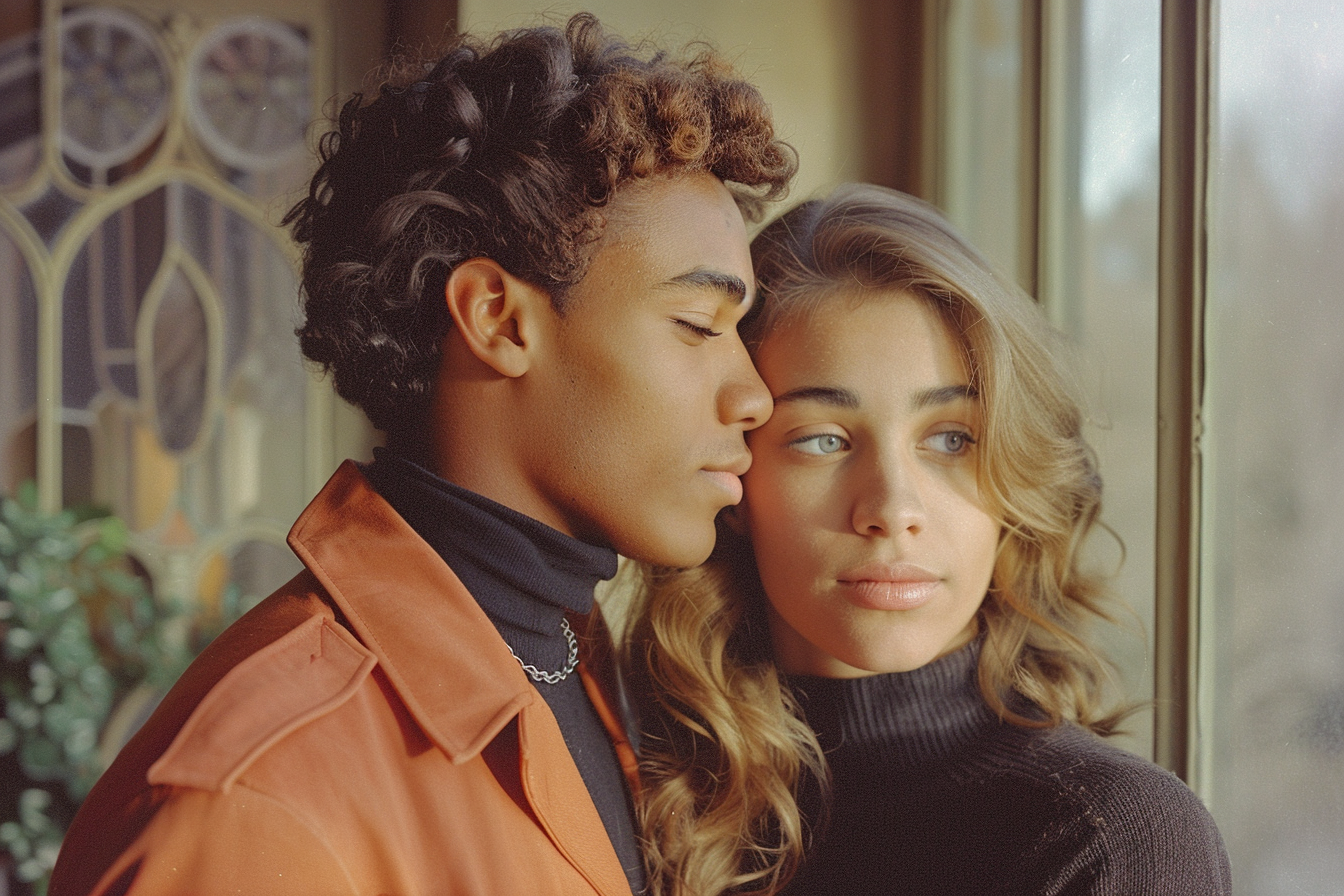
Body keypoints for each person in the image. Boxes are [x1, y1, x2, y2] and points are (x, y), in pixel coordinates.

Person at [49, 13, 793, 896]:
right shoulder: (257, 800)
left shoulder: (583, 666)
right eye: (698, 326)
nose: (754, 395)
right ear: (496, 319)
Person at [623, 184, 1233, 896]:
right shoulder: (643, 791)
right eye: (823, 440)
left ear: (1015, 473)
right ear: (736, 478)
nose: (891, 508)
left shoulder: (1112, 838)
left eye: (951, 439)